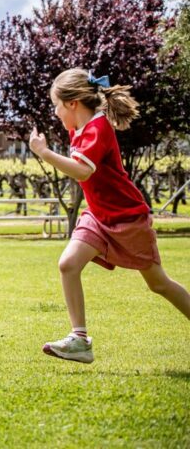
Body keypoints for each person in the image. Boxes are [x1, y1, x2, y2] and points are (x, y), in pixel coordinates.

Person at [29, 68, 190, 364]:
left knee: (159, 284)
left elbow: (82, 170)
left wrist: (44, 153)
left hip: (127, 218)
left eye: (56, 105)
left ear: (73, 103)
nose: (55, 113)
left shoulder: (98, 128)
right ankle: (79, 340)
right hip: (98, 217)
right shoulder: (79, 128)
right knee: (68, 264)